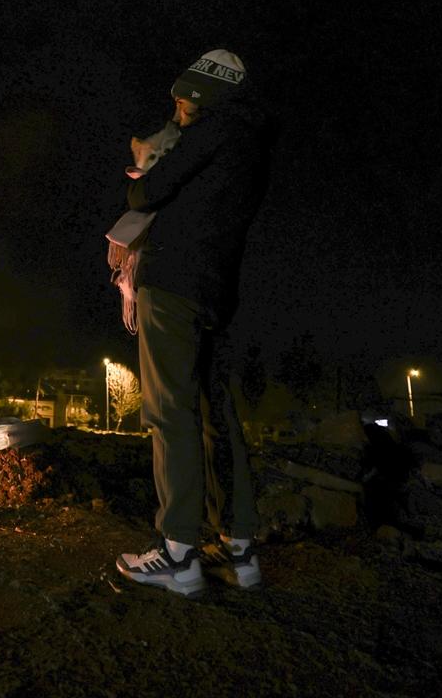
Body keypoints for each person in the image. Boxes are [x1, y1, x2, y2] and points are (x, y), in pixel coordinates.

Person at [113, 49, 274, 595]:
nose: (177, 104)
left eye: (186, 96)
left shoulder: (211, 133)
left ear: (208, 96)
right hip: (217, 291)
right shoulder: (254, 144)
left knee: (168, 411)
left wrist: (148, 173)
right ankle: (241, 549)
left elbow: (146, 190)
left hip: (173, 286)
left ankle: (178, 553)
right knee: (216, 416)